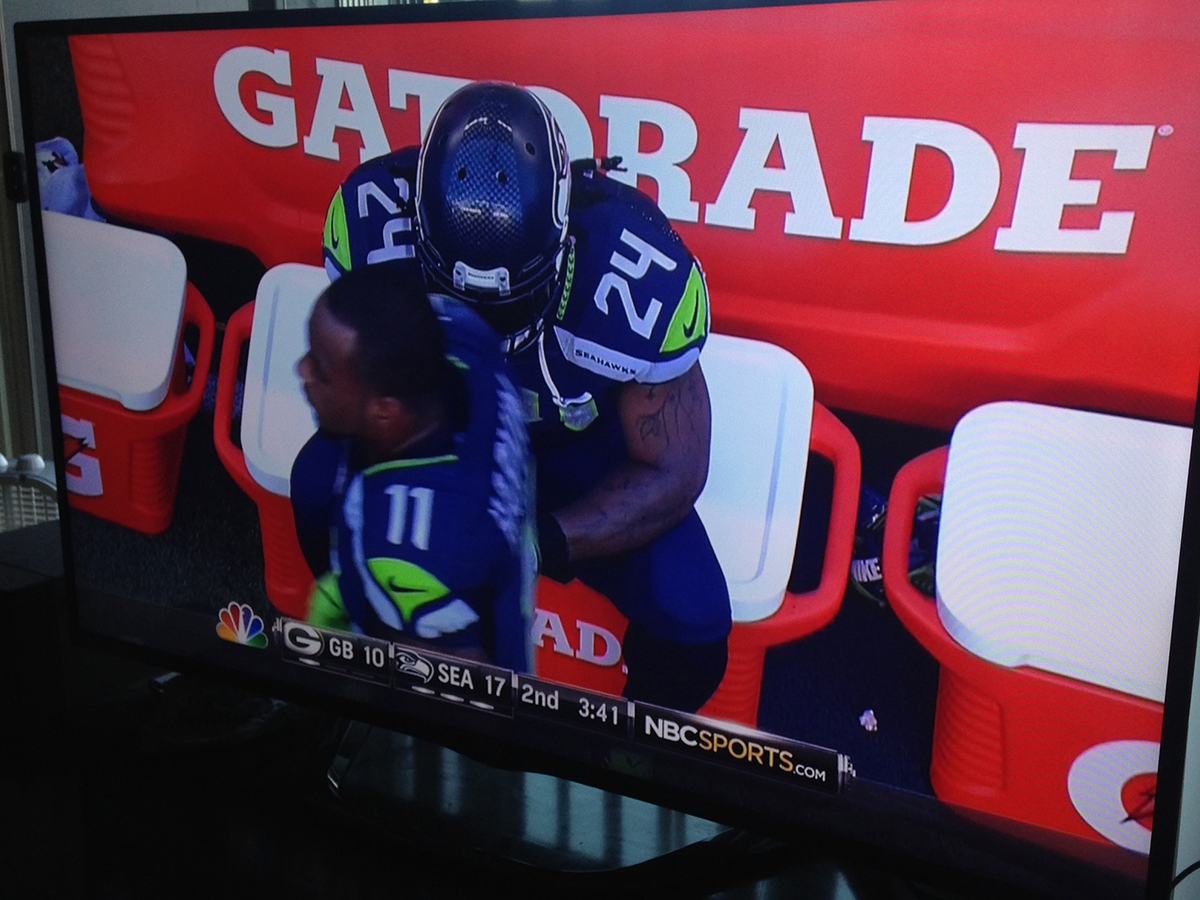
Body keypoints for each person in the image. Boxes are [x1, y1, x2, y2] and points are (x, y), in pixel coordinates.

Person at [321, 82, 730, 711]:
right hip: (434, 432)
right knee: (316, 486)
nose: (484, 328)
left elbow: (677, 466)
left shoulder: (637, 281)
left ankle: (621, 760)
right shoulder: (369, 221)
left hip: (571, 451)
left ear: (564, 239)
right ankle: (368, 671)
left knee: (693, 615)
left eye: (506, 302)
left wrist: (536, 543)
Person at [290, 262, 535, 672]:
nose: (302, 371)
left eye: (321, 369)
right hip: (482, 548)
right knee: (314, 480)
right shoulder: (460, 329)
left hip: (451, 630)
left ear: (386, 411)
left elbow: (454, 683)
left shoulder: (405, 549)